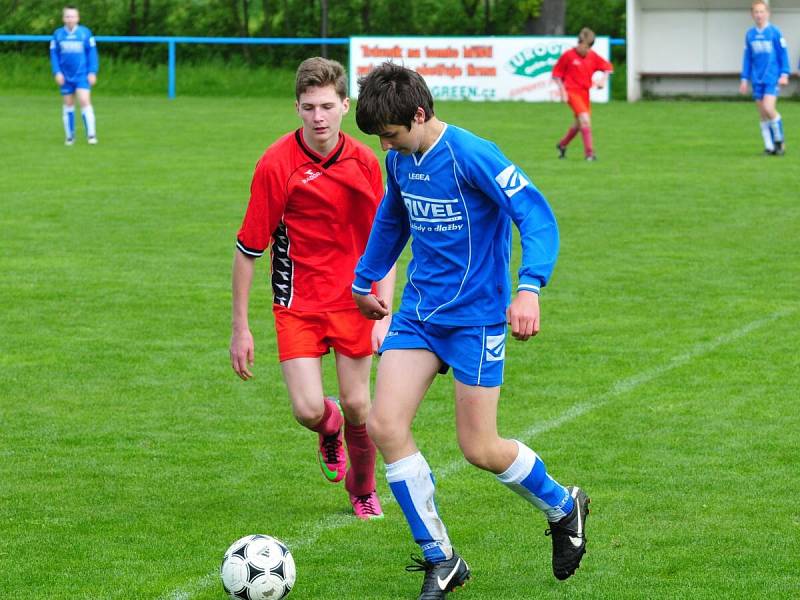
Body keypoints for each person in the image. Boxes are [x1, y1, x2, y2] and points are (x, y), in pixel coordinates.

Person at [352, 62, 590, 599]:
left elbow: (536, 216)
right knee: (385, 424)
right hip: (418, 315)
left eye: (390, 134)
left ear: (419, 114)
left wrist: (529, 287)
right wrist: (366, 277)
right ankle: (442, 559)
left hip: (476, 319)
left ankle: (562, 505)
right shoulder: (400, 159)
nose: (385, 145)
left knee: (479, 447)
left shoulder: (472, 154)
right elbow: (393, 218)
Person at [230, 57, 395, 520]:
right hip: (297, 301)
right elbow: (248, 250)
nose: (318, 117)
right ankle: (329, 427)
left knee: (360, 403)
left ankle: (362, 489)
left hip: (355, 300)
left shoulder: (365, 163)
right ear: (297, 108)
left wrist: (386, 311)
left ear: (345, 105)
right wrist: (241, 329)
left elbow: (385, 241)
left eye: (326, 106)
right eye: (308, 107)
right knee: (307, 409)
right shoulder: (275, 164)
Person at [552, 28, 613, 161]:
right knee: (585, 119)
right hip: (571, 92)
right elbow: (556, 74)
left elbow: (608, 68)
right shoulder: (568, 56)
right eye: (585, 47)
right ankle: (590, 154)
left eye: (589, 48)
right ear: (579, 43)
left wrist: (603, 79)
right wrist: (562, 91)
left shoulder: (592, 56)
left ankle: (562, 145)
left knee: (579, 124)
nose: (587, 50)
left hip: (584, 93)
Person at [739, 0, 790, 156]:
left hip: (771, 78)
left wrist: (784, 74)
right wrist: (744, 79)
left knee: (769, 108)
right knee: (762, 114)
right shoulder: (750, 34)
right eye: (756, 12)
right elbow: (747, 58)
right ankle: (769, 147)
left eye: (762, 11)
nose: (759, 15)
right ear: (752, 14)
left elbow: (783, 54)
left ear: (768, 13)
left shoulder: (775, 32)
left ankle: (779, 142)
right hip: (757, 79)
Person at [49, 5, 98, 145]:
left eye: (73, 16)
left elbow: (92, 54)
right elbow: (54, 55)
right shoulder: (57, 34)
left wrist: (92, 71)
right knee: (68, 103)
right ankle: (70, 137)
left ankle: (91, 135)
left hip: (82, 75)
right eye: (67, 16)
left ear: (78, 18)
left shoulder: (85, 33)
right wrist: (57, 72)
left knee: (84, 100)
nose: (70, 19)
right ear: (63, 18)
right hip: (65, 76)